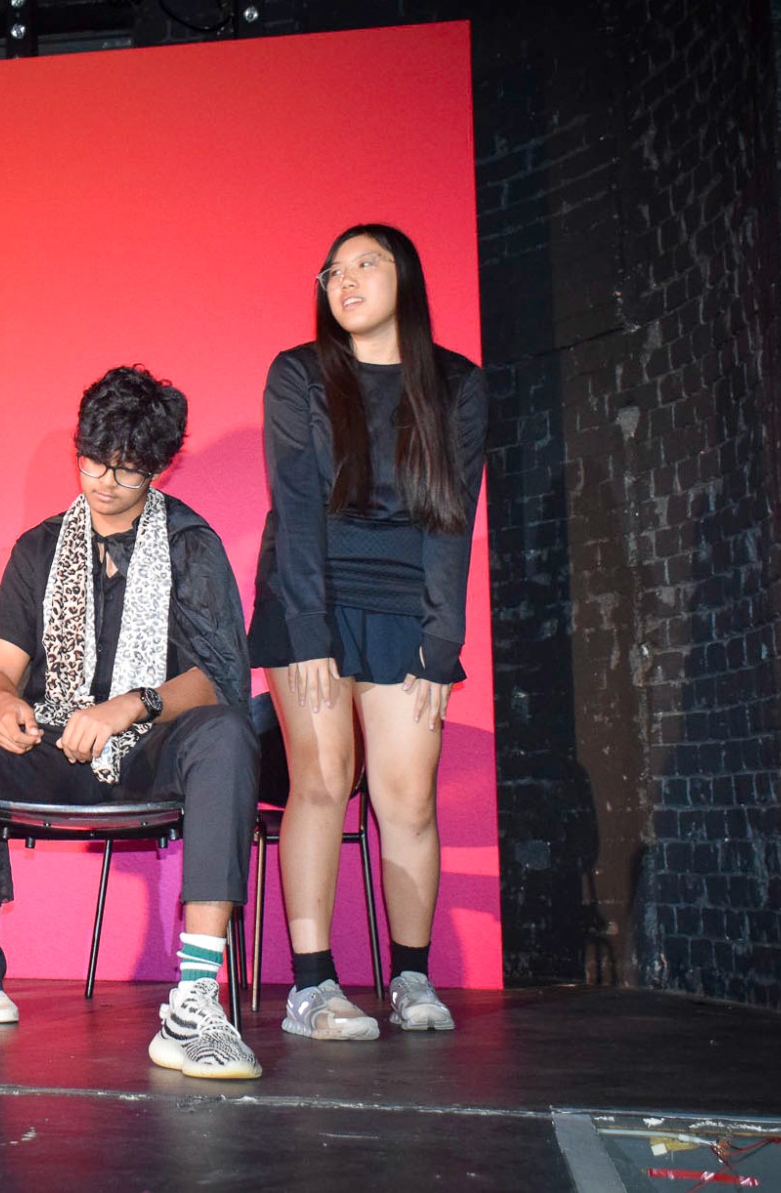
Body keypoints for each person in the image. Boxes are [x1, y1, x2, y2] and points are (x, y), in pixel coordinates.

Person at [0, 365, 262, 1080]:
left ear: (157, 469)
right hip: (50, 744)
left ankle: (197, 1002)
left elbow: (220, 674)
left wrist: (130, 705)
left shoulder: (189, 543)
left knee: (227, 733)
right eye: (92, 460)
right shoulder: (40, 547)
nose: (103, 481)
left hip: (150, 752)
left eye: (125, 469)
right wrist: (4, 706)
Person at [248, 223, 486, 1040]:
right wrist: (309, 631)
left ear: (404, 278)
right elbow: (296, 507)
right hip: (310, 591)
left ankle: (412, 976)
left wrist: (441, 643)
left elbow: (453, 517)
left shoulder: (457, 384)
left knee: (408, 794)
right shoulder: (299, 374)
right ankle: (312, 986)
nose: (343, 280)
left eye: (364, 264)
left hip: (403, 600)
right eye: (332, 270)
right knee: (321, 777)